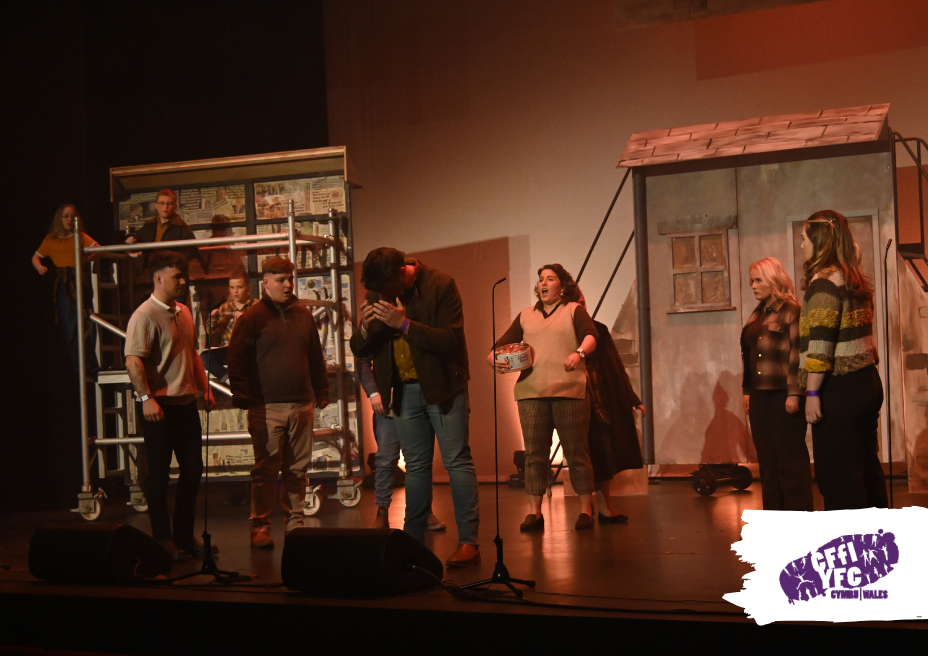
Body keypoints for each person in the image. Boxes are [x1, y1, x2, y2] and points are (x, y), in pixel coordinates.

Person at [349, 247, 480, 567]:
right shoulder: (378, 291)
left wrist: (404, 323)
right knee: (416, 467)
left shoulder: (440, 284)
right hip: (404, 391)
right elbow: (361, 348)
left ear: (401, 273)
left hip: (444, 387)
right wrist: (364, 328)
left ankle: (469, 542)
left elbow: (451, 340)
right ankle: (413, 542)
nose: (380, 294)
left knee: (457, 461)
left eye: (385, 287)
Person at [227, 257, 330, 548]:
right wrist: (242, 394)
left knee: (297, 469)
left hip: (301, 404)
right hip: (266, 405)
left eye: (289, 279)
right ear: (266, 283)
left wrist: (321, 390)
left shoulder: (303, 315)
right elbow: (236, 357)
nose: (287, 284)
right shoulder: (253, 317)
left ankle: (295, 524)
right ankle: (260, 526)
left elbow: (315, 356)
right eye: (281, 279)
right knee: (266, 470)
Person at [490, 264, 598, 531]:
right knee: (534, 454)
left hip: (569, 391)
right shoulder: (526, 315)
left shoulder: (573, 310)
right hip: (531, 393)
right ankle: (535, 512)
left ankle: (586, 509)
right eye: (541, 279)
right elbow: (498, 348)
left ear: (562, 285)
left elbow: (591, 336)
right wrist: (496, 360)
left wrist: (579, 354)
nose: (544, 283)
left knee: (576, 452)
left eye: (550, 278)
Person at [124, 251, 216, 561]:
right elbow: (133, 361)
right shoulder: (144, 315)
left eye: (184, 276)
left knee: (192, 470)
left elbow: (192, 354)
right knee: (159, 475)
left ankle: (183, 535)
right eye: (177, 276)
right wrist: (146, 398)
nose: (183, 281)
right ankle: (162, 538)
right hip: (159, 406)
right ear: (158, 278)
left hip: (185, 403)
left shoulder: (183, 311)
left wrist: (204, 387)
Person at [798, 210, 886, 510]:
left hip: (839, 388)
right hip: (866, 383)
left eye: (804, 238)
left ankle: (851, 539)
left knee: (838, 478)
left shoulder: (825, 282)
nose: (801, 245)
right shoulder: (853, 278)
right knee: (866, 471)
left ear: (820, 241)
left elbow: (820, 345)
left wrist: (811, 393)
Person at [740, 258, 812, 511]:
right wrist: (747, 390)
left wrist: (795, 393)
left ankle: (798, 515)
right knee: (767, 459)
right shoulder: (758, 312)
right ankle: (774, 516)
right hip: (760, 395)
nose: (753, 285)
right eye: (752, 280)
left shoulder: (791, 309)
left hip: (783, 393)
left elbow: (797, 354)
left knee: (790, 458)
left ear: (773, 280)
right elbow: (749, 355)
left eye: (758, 280)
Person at [577, 291, 645, 523]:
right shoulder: (562, 331)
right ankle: (586, 509)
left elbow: (616, 366)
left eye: (583, 302)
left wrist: (632, 398)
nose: (581, 307)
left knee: (605, 454)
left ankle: (605, 507)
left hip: (601, 402)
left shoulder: (599, 330)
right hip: (575, 402)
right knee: (584, 457)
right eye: (576, 303)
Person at [357, 354, 446, 531]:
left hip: (414, 401)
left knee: (419, 462)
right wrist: (373, 392)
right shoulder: (379, 335)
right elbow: (363, 360)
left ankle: (424, 512)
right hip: (388, 403)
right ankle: (382, 512)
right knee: (385, 460)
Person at [32, 203, 100, 375]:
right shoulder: (51, 239)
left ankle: (91, 363)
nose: (70, 219)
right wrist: (40, 268)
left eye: (73, 216)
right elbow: (36, 257)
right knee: (70, 324)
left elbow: (99, 249)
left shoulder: (80, 236)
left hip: (80, 279)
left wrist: (86, 259)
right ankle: (81, 366)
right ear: (59, 219)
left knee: (87, 320)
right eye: (66, 216)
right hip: (64, 281)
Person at [201, 268, 256, 384]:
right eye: (232, 287)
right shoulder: (225, 307)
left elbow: (261, 332)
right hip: (230, 350)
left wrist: (244, 322)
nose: (235, 291)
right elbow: (214, 334)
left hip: (249, 350)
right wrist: (213, 319)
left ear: (248, 288)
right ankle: (228, 379)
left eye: (239, 287)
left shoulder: (256, 306)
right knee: (205, 357)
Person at [126, 189, 201, 268]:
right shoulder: (149, 225)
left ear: (175, 206)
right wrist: (130, 242)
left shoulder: (181, 226)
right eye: (162, 203)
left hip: (171, 270)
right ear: (156, 205)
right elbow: (136, 242)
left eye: (169, 203)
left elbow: (192, 250)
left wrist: (172, 262)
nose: (165, 207)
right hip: (150, 269)